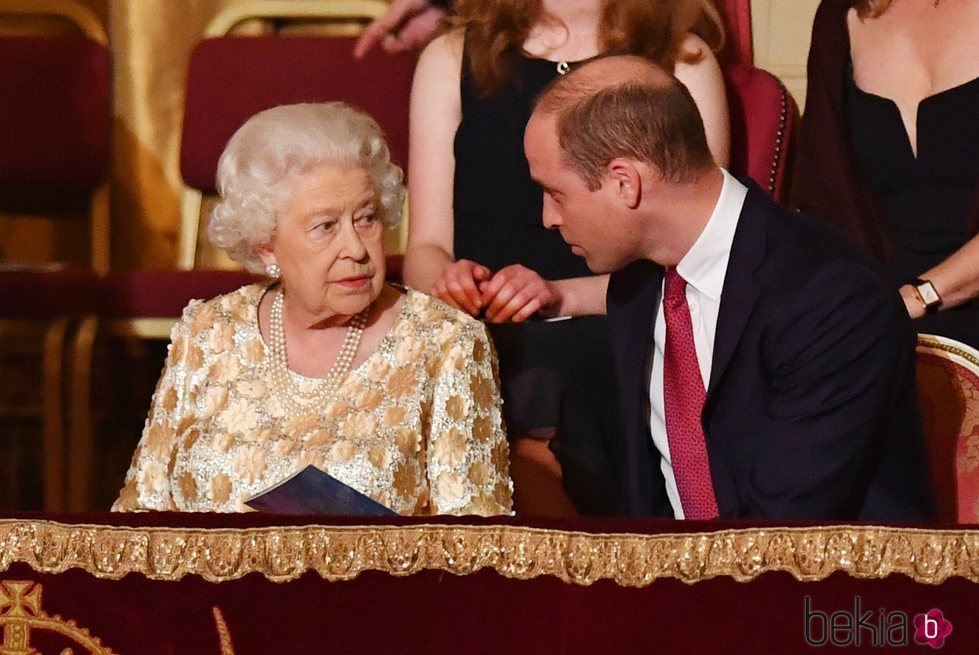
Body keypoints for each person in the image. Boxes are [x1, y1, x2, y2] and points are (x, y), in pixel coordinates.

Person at [524, 55, 935, 520]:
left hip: (824, 587)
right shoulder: (639, 285)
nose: (548, 218)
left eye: (555, 193)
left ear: (624, 183)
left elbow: (784, 530)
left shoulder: (832, 298)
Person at [403, 0, 730, 515]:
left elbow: (699, 255)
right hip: (477, 324)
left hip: (616, 316)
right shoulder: (452, 56)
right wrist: (450, 281)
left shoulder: (681, 59)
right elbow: (424, 249)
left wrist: (561, 296)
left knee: (558, 381)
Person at [112, 103, 512, 515]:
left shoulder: (447, 342)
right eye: (326, 227)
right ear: (265, 242)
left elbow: (472, 547)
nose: (356, 248)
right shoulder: (207, 332)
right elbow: (142, 513)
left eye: (366, 219)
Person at [792, 0, 979, 347]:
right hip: (872, 311)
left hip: (912, 309)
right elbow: (822, 206)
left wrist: (913, 299)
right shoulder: (840, 17)